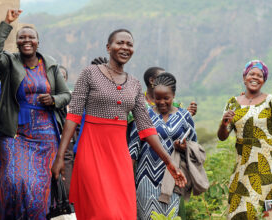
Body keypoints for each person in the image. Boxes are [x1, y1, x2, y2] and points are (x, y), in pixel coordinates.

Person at [51, 29, 186, 219]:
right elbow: (73, 116)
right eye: (120, 43)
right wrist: (60, 156)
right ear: (108, 47)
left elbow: (146, 128)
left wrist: (169, 162)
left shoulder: (134, 84)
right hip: (92, 151)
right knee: (101, 211)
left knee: (122, 212)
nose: (125, 47)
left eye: (129, 44)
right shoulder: (90, 73)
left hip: (119, 156)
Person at [0, 9, 71, 219]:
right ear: (17, 41)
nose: (26, 40)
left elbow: (66, 95)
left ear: (38, 42)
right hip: (15, 133)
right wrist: (6, 23)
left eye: (31, 37)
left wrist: (54, 100)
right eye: (22, 37)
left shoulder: (50, 65)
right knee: (12, 182)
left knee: (36, 190)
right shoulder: (9, 63)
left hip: (45, 137)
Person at [217, 60, 272, 219]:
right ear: (244, 77)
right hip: (242, 167)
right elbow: (222, 136)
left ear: (264, 81)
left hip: (268, 167)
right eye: (252, 74)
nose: (255, 77)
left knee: (266, 212)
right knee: (239, 211)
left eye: (260, 75)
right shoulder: (232, 103)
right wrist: (224, 124)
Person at [128, 73, 197, 219]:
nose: (161, 102)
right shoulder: (144, 115)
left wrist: (185, 148)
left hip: (173, 178)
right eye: (157, 98)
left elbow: (195, 146)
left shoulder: (185, 116)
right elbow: (133, 148)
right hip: (145, 178)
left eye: (166, 98)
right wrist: (127, 178)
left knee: (170, 216)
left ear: (174, 95)